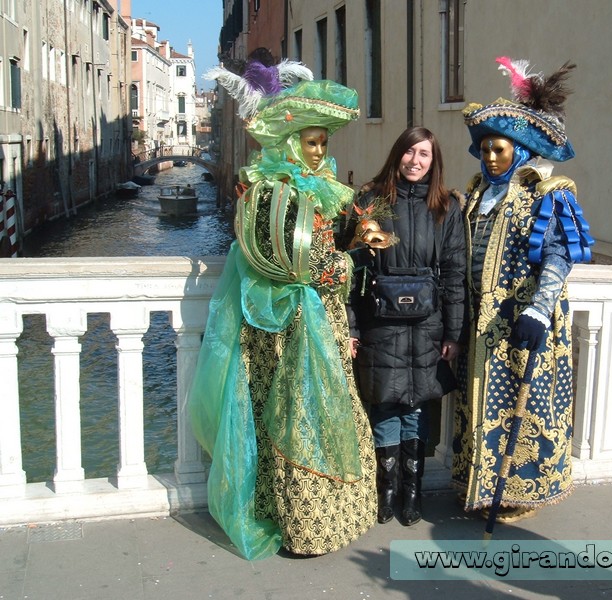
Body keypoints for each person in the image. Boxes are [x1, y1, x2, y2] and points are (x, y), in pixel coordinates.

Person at [188, 51, 376, 559]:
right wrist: (351, 262)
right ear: (292, 143)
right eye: (312, 142)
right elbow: (309, 266)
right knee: (301, 415)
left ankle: (311, 520)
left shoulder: (294, 191)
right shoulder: (282, 194)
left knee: (308, 412)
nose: (319, 152)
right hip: (296, 326)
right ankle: (305, 526)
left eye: (323, 143)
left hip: (304, 322)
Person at [451, 57, 594, 523]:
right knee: (478, 403)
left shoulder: (547, 194)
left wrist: (538, 308)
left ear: (520, 151)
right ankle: (478, 487)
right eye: (487, 149)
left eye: (501, 150)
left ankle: (516, 493)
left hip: (522, 321)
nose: (492, 158)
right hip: (478, 322)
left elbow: (559, 254)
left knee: (519, 404)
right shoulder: (475, 193)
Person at [342, 127, 467, 526]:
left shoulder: (446, 207)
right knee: (385, 402)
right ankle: (387, 489)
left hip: (427, 324)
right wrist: (352, 328)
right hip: (380, 321)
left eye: (425, 155)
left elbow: (453, 274)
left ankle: (412, 493)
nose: (416, 161)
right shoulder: (370, 201)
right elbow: (353, 270)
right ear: (397, 155)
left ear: (435, 161)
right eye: (410, 152)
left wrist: (453, 334)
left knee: (416, 403)